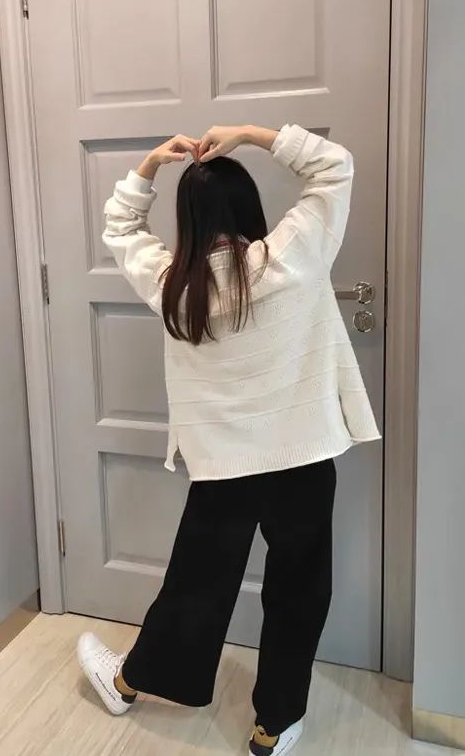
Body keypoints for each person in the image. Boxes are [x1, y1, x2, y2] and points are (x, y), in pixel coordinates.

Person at [76, 124, 380, 756]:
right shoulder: (293, 253)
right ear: (248, 207)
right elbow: (334, 166)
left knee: (197, 584)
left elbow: (121, 227)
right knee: (300, 587)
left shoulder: (173, 284)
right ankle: (275, 726)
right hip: (303, 457)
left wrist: (149, 166)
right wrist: (252, 135)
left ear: (188, 219)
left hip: (224, 468)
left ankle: (128, 682)